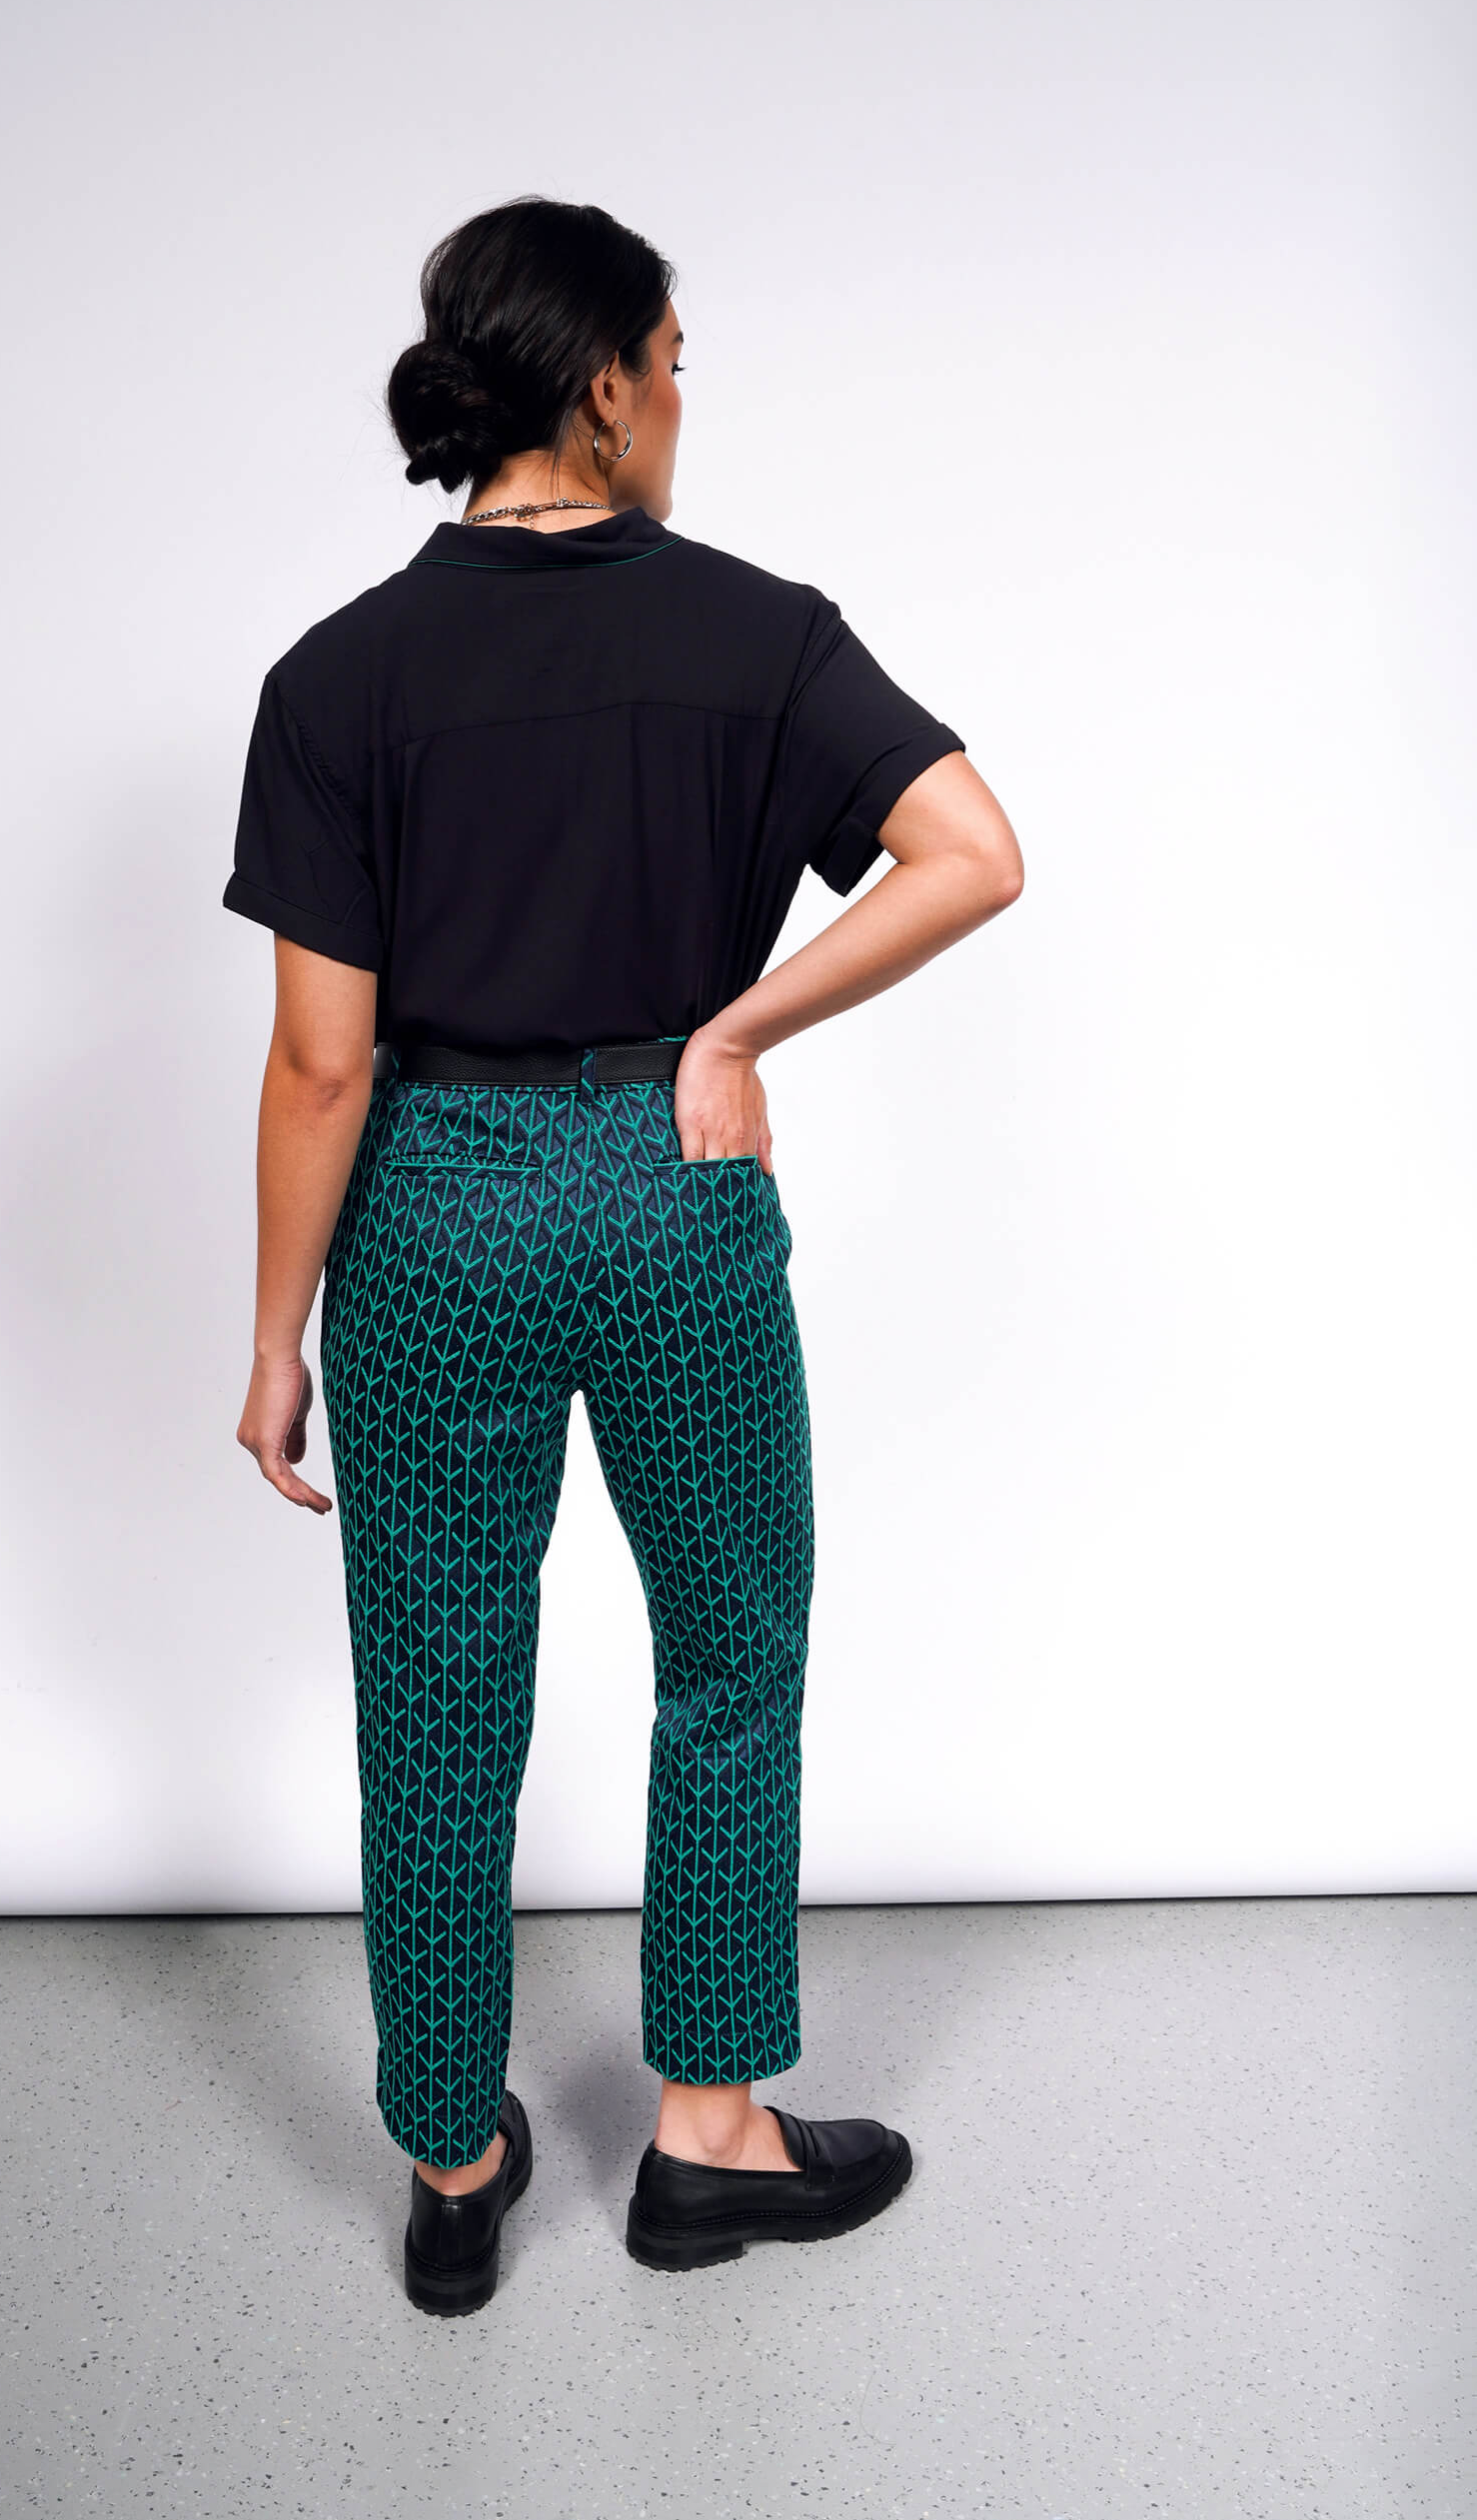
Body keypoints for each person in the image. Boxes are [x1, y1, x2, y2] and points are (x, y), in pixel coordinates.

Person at [226, 197, 1022, 2316]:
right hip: (672, 1191)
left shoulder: (340, 676)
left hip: (443, 1213)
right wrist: (736, 1025)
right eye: (673, 357)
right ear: (601, 386)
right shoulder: (760, 633)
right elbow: (976, 854)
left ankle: (454, 2157)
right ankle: (710, 2139)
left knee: (436, 1693)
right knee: (732, 1657)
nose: (685, 396)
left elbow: (322, 1067)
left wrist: (274, 1333)